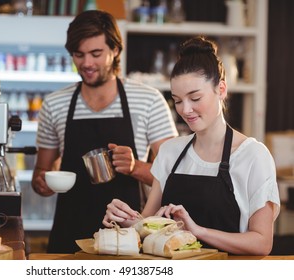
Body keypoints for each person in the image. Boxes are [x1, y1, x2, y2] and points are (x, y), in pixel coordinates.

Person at [103, 36, 281, 256]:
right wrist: (125, 220)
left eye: (195, 98)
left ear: (221, 89)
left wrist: (198, 231)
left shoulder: (253, 156)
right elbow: (146, 225)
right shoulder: (170, 152)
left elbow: (262, 242)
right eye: (177, 101)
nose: (185, 109)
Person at [31, 10, 178, 253]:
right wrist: (42, 183)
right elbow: (41, 174)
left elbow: (174, 176)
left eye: (96, 54)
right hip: (69, 235)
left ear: (116, 50)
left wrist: (135, 168)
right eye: (79, 55)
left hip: (128, 236)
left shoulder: (148, 100)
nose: (86, 63)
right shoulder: (55, 104)